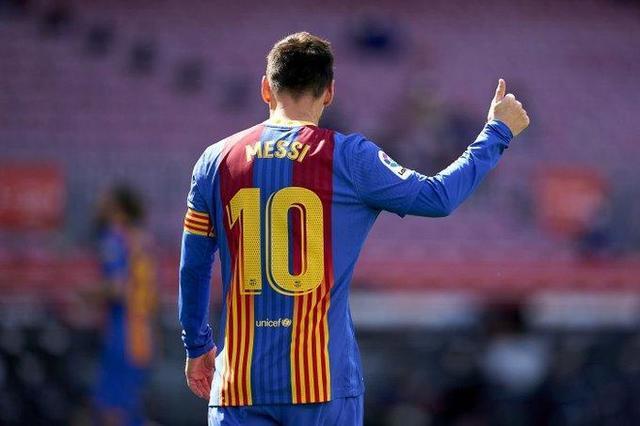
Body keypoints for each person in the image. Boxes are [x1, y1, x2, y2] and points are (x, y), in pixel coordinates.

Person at [178, 32, 529, 426]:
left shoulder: (216, 160)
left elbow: (194, 267)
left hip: (240, 386)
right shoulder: (348, 157)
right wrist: (496, 133)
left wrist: (197, 345)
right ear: (329, 92)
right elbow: (438, 197)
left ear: (265, 88)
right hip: (322, 384)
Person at [92, 185, 157, 426]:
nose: (97, 206)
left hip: (124, 332)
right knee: (131, 408)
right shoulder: (142, 238)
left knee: (112, 409)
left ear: (116, 207)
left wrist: (87, 293)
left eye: (103, 201)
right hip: (142, 333)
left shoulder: (114, 237)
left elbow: (118, 287)